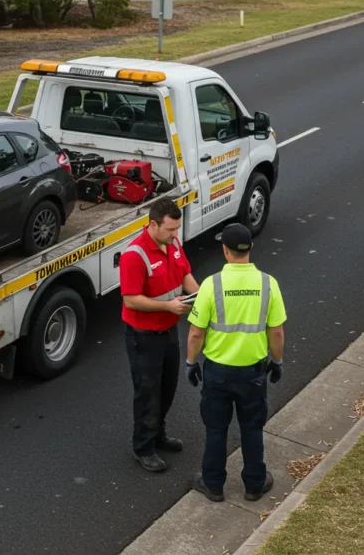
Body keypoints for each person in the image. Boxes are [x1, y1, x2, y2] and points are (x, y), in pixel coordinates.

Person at [184, 223, 286, 502]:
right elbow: (276, 331)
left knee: (216, 429)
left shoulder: (211, 285)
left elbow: (196, 332)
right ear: (250, 248)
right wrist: (276, 361)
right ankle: (254, 484)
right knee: (251, 429)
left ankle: (213, 484)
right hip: (253, 373)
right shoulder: (268, 284)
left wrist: (191, 363)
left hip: (217, 373)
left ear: (225, 251)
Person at [120, 197, 200, 472]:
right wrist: (168, 305)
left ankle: (158, 433)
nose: (175, 235)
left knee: (166, 387)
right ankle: (143, 446)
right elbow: (131, 299)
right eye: (170, 230)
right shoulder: (135, 255)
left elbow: (185, 275)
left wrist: (199, 297)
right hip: (144, 337)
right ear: (153, 224)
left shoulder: (173, 244)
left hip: (168, 331)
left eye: (177, 229)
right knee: (147, 391)